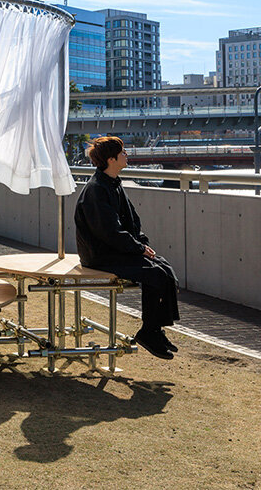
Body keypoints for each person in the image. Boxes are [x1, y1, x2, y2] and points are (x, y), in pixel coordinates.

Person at [74, 136, 181, 360]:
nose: (126, 155)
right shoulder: (97, 189)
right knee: (155, 275)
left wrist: (142, 245)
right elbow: (109, 232)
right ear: (111, 159)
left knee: (166, 271)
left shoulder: (113, 183)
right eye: (122, 153)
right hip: (100, 255)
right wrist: (138, 249)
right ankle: (149, 332)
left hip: (117, 250)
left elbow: (132, 222)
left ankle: (155, 330)